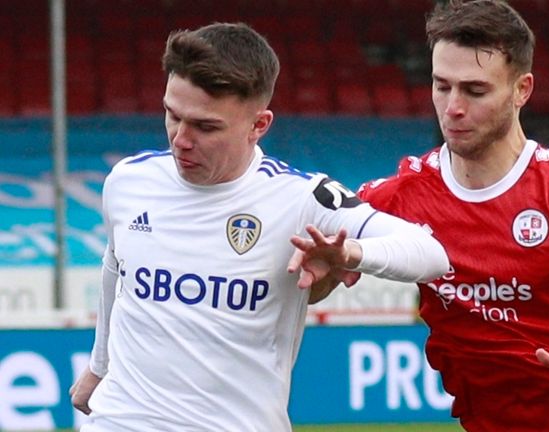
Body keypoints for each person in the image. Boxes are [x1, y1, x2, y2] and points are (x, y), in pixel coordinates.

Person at [67, 22, 449, 432]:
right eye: (172, 115)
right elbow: (115, 267)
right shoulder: (128, 181)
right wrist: (99, 365)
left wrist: (351, 254)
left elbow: (430, 254)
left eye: (205, 126)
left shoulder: (302, 199)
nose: (180, 138)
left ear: (259, 125)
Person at [356, 1, 549, 430]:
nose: (452, 107)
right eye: (441, 86)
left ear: (522, 90)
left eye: (475, 90)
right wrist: (323, 264)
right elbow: (317, 262)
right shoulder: (400, 197)